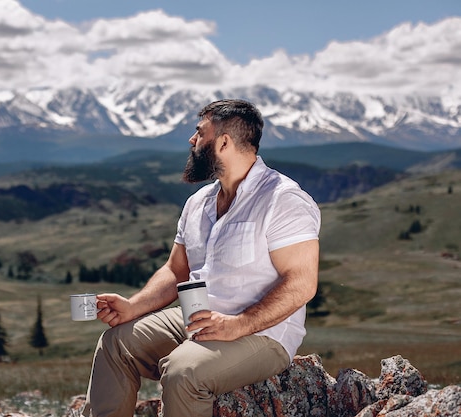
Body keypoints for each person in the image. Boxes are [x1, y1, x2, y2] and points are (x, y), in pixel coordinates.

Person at [82, 99, 321, 417]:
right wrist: (133, 306)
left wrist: (239, 325)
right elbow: (176, 270)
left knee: (183, 370)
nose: (192, 141)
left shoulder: (283, 200)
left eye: (199, 133)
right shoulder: (199, 202)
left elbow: (301, 284)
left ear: (224, 142)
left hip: (262, 334)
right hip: (198, 320)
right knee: (115, 344)